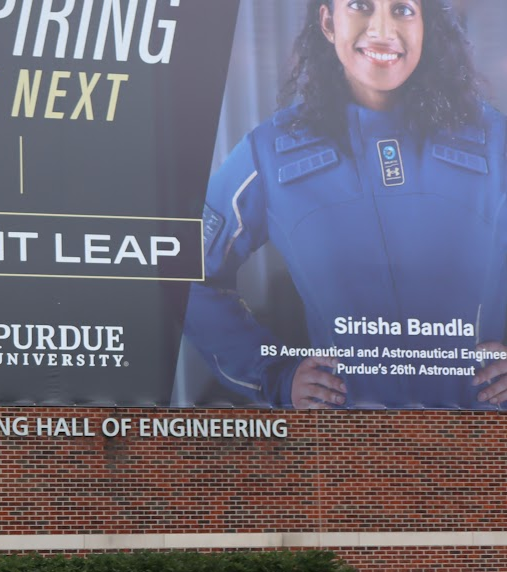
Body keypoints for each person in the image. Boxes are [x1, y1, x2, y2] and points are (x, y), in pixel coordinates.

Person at [184, 0, 507, 409]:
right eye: (361, 6)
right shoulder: (270, 154)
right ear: (327, 21)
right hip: (346, 448)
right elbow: (185, 269)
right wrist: (275, 375)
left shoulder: (496, 142)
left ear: (428, 26)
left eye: (404, 10)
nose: (383, 30)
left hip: (478, 448)